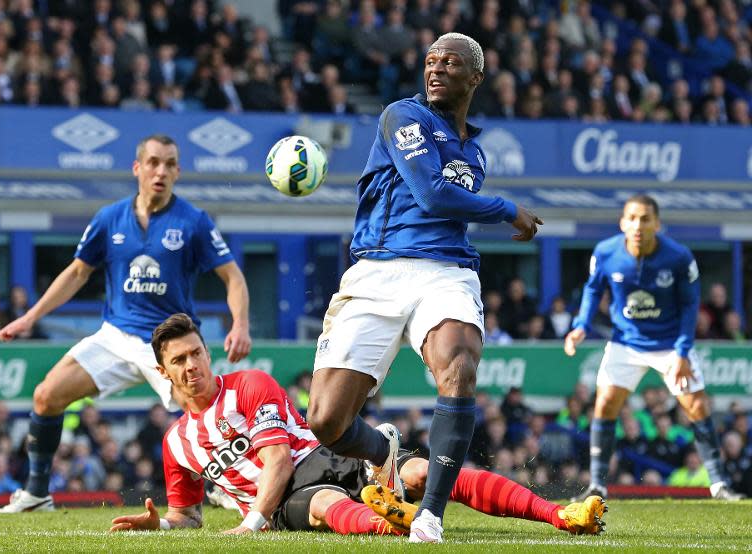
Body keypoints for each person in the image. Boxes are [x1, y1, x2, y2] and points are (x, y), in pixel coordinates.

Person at [305, 32, 543, 543]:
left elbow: (447, 208)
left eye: (450, 62)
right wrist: (507, 209)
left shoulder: (475, 154)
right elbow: (433, 196)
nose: (435, 69)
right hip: (377, 270)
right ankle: (382, 453)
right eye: (431, 60)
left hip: (446, 273)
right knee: (325, 422)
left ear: (475, 78)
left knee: (458, 366)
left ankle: (430, 516)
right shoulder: (401, 116)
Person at [110, 313, 606, 536]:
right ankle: (397, 523)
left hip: (314, 462)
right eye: (179, 360)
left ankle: (560, 515)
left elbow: (279, 460)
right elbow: (188, 514)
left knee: (423, 473)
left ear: (207, 350)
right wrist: (161, 527)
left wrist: (249, 525)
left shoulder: (249, 384)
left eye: (196, 352)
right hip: (285, 503)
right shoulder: (176, 444)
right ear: (164, 371)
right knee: (326, 503)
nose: (192, 365)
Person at [0, 134, 252, 513]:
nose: (160, 171)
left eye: (169, 164)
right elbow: (78, 272)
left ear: (178, 172)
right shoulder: (108, 218)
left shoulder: (193, 221)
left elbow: (233, 277)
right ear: (137, 168)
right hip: (115, 336)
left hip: (170, 340)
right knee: (46, 396)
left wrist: (240, 324)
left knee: (200, 405)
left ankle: (227, 486)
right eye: (152, 162)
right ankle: (36, 494)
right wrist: (30, 317)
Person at [564, 194, 744, 501]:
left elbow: (690, 306)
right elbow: (593, 290)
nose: (638, 225)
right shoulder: (606, 252)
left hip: (670, 343)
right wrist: (581, 324)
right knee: (604, 405)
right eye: (632, 218)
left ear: (657, 224)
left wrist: (683, 352)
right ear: (622, 222)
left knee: (697, 407)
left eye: (645, 219)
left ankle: (719, 485)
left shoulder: (678, 257)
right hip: (626, 342)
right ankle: (597, 485)